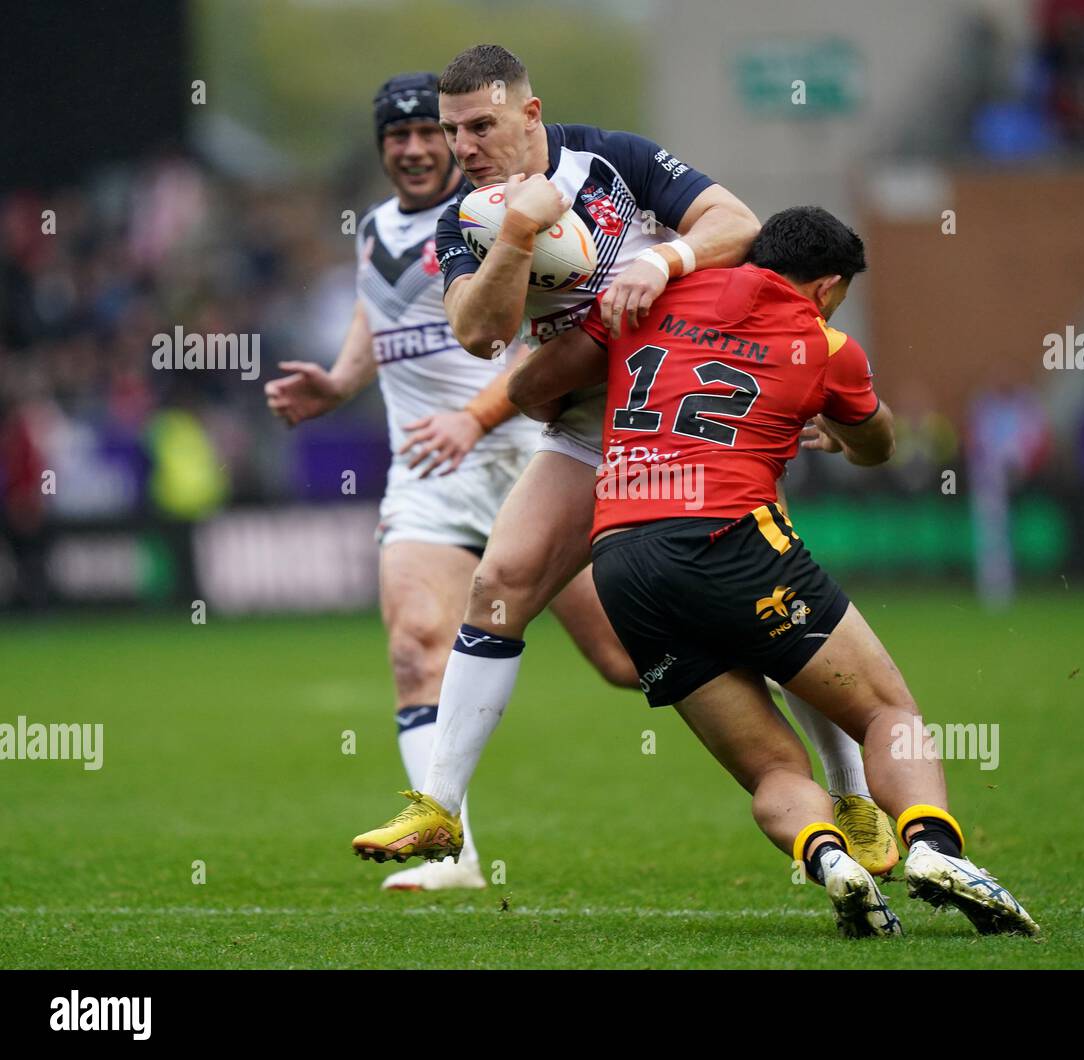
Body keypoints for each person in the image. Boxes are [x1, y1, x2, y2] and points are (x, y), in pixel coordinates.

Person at [350, 46, 899, 878]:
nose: (463, 145)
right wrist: (519, 234)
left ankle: (852, 796)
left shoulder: (616, 158)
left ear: (529, 115)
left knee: (762, 618)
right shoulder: (466, 219)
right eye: (452, 129)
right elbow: (478, 331)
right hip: (581, 428)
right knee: (502, 584)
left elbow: (736, 223)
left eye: (480, 125)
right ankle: (441, 813)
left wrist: (660, 259)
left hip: (690, 424)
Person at [504, 205, 1040, 937]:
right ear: (827, 287)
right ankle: (934, 849)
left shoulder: (648, 296)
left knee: (771, 770)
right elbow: (878, 446)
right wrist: (838, 429)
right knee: (888, 712)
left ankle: (830, 862)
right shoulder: (826, 343)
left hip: (622, 558)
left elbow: (529, 390)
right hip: (728, 539)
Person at [266, 72, 637, 891]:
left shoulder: (502, 216)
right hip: (427, 474)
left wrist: (484, 411)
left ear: (458, 140)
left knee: (624, 657)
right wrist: (337, 381)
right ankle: (453, 853)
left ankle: (793, 720)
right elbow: (378, 314)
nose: (415, 148)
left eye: (429, 134)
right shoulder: (372, 231)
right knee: (412, 650)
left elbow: (530, 335)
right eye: (396, 137)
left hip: (524, 458)